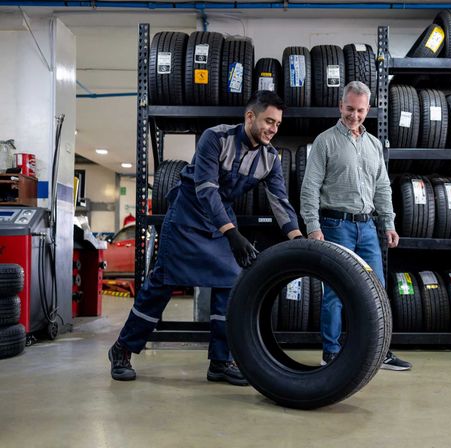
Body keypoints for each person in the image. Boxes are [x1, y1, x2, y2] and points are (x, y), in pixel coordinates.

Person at [108, 91, 303, 385]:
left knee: (230, 284)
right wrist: (233, 235)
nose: (273, 129)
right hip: (188, 214)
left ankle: (220, 362)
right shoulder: (216, 138)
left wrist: (298, 239)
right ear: (250, 116)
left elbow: (280, 203)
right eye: (268, 121)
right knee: (162, 283)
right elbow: (206, 188)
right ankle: (122, 349)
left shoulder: (269, 158)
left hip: (220, 219)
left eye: (277, 124)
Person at [300, 81, 412, 371]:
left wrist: (388, 223)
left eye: (360, 110)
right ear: (341, 106)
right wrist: (313, 226)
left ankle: (378, 351)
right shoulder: (325, 141)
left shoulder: (374, 144)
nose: (354, 115)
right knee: (335, 291)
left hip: (367, 228)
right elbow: (309, 187)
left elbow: (383, 187)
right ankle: (331, 352)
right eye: (350, 108)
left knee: (376, 291)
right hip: (336, 224)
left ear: (368, 110)